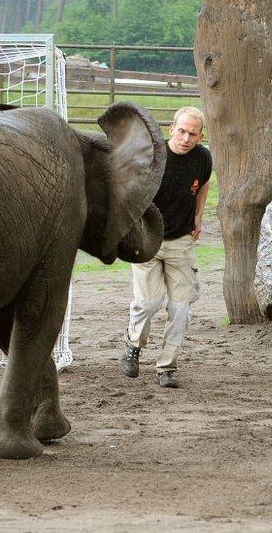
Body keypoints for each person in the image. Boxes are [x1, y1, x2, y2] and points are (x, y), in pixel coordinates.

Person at [120, 106, 212, 388]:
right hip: (149, 239)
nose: (185, 138)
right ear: (172, 128)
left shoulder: (203, 158)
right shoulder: (152, 156)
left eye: (192, 134)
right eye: (181, 131)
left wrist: (198, 216)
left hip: (181, 242)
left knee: (181, 309)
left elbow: (203, 184)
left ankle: (167, 367)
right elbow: (129, 190)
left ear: (200, 136)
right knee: (148, 303)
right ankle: (133, 344)